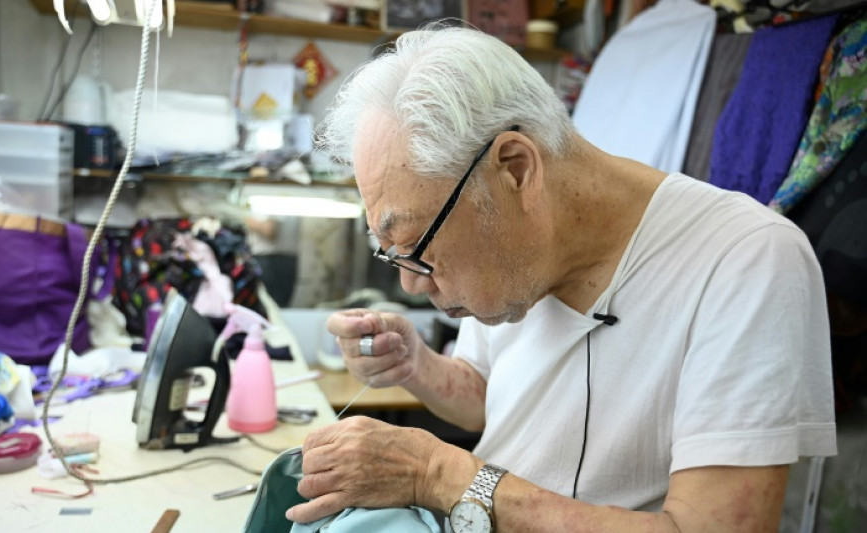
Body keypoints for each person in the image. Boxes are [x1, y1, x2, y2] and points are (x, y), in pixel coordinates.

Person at [285, 26, 837, 532]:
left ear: (516, 170)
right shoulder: (512, 250)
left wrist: (439, 475)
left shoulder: (746, 259)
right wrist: (417, 366)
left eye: (417, 248)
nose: (411, 285)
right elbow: (489, 396)